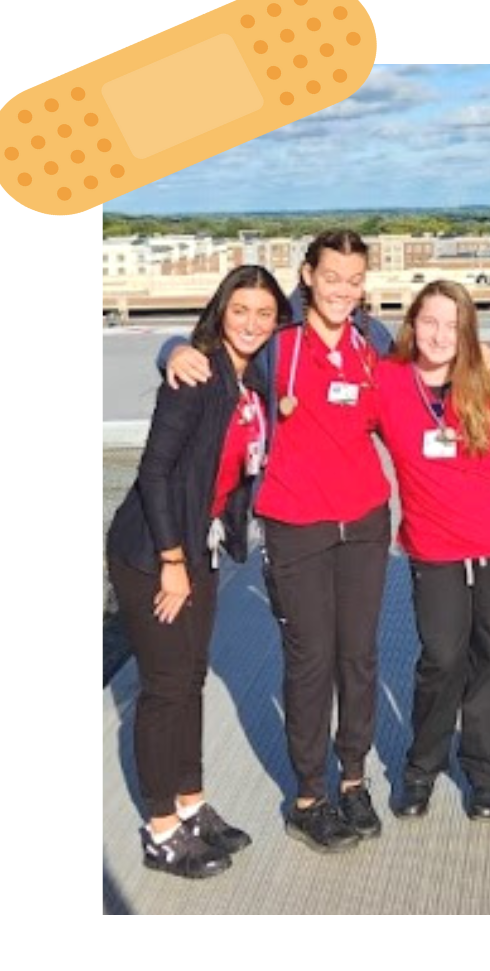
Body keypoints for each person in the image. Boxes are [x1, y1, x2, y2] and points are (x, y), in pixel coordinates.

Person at [164, 230, 395, 853]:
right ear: (308, 276)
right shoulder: (279, 343)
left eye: (354, 279)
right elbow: (212, 348)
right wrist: (169, 350)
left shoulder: (373, 342)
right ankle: (309, 796)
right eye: (331, 278)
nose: (343, 290)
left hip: (368, 522)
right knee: (311, 660)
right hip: (296, 525)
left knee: (360, 656)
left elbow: (426, 381)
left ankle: (353, 780)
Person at [107, 265, 291, 878]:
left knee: (189, 681)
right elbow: (154, 473)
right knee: (164, 689)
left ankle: (191, 805)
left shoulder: (253, 378)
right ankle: (161, 832)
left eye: (264, 314)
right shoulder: (197, 376)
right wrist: (172, 563)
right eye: (240, 310)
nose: (252, 323)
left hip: (200, 545)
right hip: (155, 552)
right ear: (220, 310)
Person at [374, 280, 490, 820]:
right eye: (430, 322)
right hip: (432, 547)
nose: (439, 335)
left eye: (451, 325)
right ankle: (421, 766)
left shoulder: (488, 381)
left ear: (466, 332)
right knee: (441, 658)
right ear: (412, 324)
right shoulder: (387, 382)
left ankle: (486, 772)